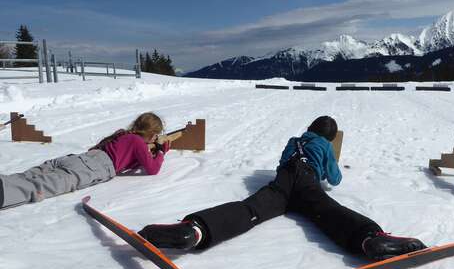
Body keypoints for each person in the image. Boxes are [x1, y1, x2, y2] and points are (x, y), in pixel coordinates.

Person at [138, 116, 426, 261]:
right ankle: (369, 239)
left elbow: (282, 162)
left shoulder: (294, 140)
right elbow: (335, 179)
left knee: (250, 209)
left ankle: (194, 230)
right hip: (306, 181)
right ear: (329, 135)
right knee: (326, 210)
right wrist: (329, 166)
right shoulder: (325, 145)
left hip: (282, 182)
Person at [0, 112, 170, 210]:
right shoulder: (138, 141)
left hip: (81, 158)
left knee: (30, 175)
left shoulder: (122, 134)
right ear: (150, 133)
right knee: (44, 186)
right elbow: (152, 169)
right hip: (96, 167)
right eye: (155, 135)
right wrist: (161, 151)